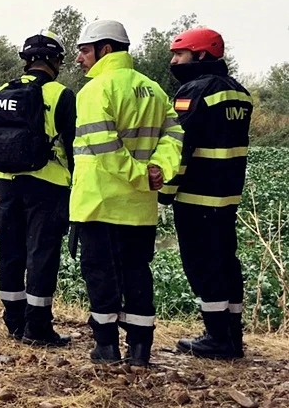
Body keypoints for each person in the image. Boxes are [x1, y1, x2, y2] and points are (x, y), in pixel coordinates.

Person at [69, 19, 183, 366]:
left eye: (84, 51)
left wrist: (137, 175)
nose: (78, 59)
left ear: (106, 49)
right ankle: (140, 350)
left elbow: (104, 149)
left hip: (99, 203)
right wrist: (159, 171)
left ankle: (106, 346)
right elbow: (175, 135)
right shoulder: (153, 90)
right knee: (137, 274)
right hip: (140, 208)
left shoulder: (94, 91)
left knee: (101, 275)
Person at [158, 27, 252, 360]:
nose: (173, 61)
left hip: (197, 195)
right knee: (227, 261)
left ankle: (216, 338)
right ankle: (232, 334)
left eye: (178, 55)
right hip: (227, 196)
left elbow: (180, 148)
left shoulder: (194, 92)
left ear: (200, 56)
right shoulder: (239, 93)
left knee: (202, 264)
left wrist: (165, 192)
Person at [0, 30, 76, 347]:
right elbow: (74, 146)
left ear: (27, 60)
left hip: (6, 185)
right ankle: (37, 328)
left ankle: (13, 322)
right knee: (42, 255)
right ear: (53, 61)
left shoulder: (0, 91)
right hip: (47, 186)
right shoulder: (61, 95)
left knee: (10, 253)